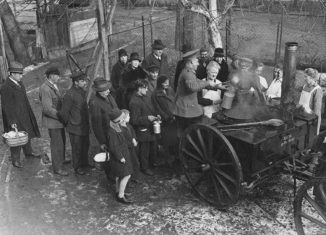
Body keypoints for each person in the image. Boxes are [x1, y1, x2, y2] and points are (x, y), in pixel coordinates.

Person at [1, 61, 41, 168]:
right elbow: (6, 106)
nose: (21, 76)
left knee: (26, 133)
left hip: (24, 113)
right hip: (14, 117)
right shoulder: (6, 87)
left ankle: (28, 152)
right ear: (12, 74)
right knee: (16, 137)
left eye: (21, 73)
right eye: (19, 74)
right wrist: (12, 121)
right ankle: (15, 159)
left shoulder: (20, 83)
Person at [174, 49, 217, 133]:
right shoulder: (188, 73)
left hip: (187, 108)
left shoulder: (189, 72)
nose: (198, 63)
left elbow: (199, 82)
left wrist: (217, 86)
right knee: (188, 132)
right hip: (185, 110)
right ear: (190, 63)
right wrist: (208, 82)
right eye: (196, 61)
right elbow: (193, 87)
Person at [59, 72, 90, 175]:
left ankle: (85, 163)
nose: (84, 82)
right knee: (77, 148)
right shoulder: (69, 95)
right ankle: (77, 167)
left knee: (85, 145)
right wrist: (70, 123)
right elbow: (63, 113)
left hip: (84, 125)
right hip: (75, 127)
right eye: (82, 81)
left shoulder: (81, 92)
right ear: (76, 82)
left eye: (85, 80)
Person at [39, 67, 68, 176]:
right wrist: (61, 116)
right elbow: (47, 109)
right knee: (57, 145)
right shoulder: (45, 88)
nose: (59, 77)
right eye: (57, 75)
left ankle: (61, 160)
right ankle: (57, 168)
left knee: (62, 142)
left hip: (58, 121)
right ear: (51, 75)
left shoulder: (53, 85)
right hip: (53, 121)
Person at [129, 79, 160, 176]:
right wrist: (147, 118)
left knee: (152, 147)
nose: (147, 90)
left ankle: (153, 163)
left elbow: (151, 108)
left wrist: (156, 116)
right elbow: (134, 120)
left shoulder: (146, 96)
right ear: (139, 89)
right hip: (142, 130)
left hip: (150, 127)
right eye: (145, 88)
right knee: (144, 151)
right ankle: (144, 167)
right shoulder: (134, 102)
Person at [106, 108, 133, 204]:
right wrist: (120, 157)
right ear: (117, 119)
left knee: (118, 175)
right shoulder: (112, 131)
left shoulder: (115, 126)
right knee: (126, 175)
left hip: (122, 154)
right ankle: (121, 196)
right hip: (120, 157)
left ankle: (118, 192)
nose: (123, 119)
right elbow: (114, 147)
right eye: (121, 118)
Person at [152, 75, 178, 164]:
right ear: (160, 83)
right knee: (166, 140)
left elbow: (175, 101)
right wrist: (166, 117)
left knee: (175, 138)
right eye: (165, 83)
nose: (167, 84)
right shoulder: (155, 94)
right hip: (166, 121)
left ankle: (175, 157)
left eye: (168, 82)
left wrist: (175, 114)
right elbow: (157, 108)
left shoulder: (170, 90)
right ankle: (168, 159)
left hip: (174, 118)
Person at [298, 68, 323, 135]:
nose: (304, 78)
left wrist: (314, 127)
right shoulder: (305, 86)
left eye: (306, 77)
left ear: (312, 78)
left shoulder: (317, 90)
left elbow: (317, 111)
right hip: (301, 117)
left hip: (310, 120)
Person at [120, 109, 141, 183]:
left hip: (132, 149)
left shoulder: (129, 126)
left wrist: (134, 139)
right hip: (126, 150)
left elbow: (133, 133)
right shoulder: (121, 129)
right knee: (128, 165)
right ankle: (127, 181)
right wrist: (131, 142)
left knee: (135, 163)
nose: (130, 117)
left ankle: (135, 177)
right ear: (123, 118)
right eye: (128, 116)